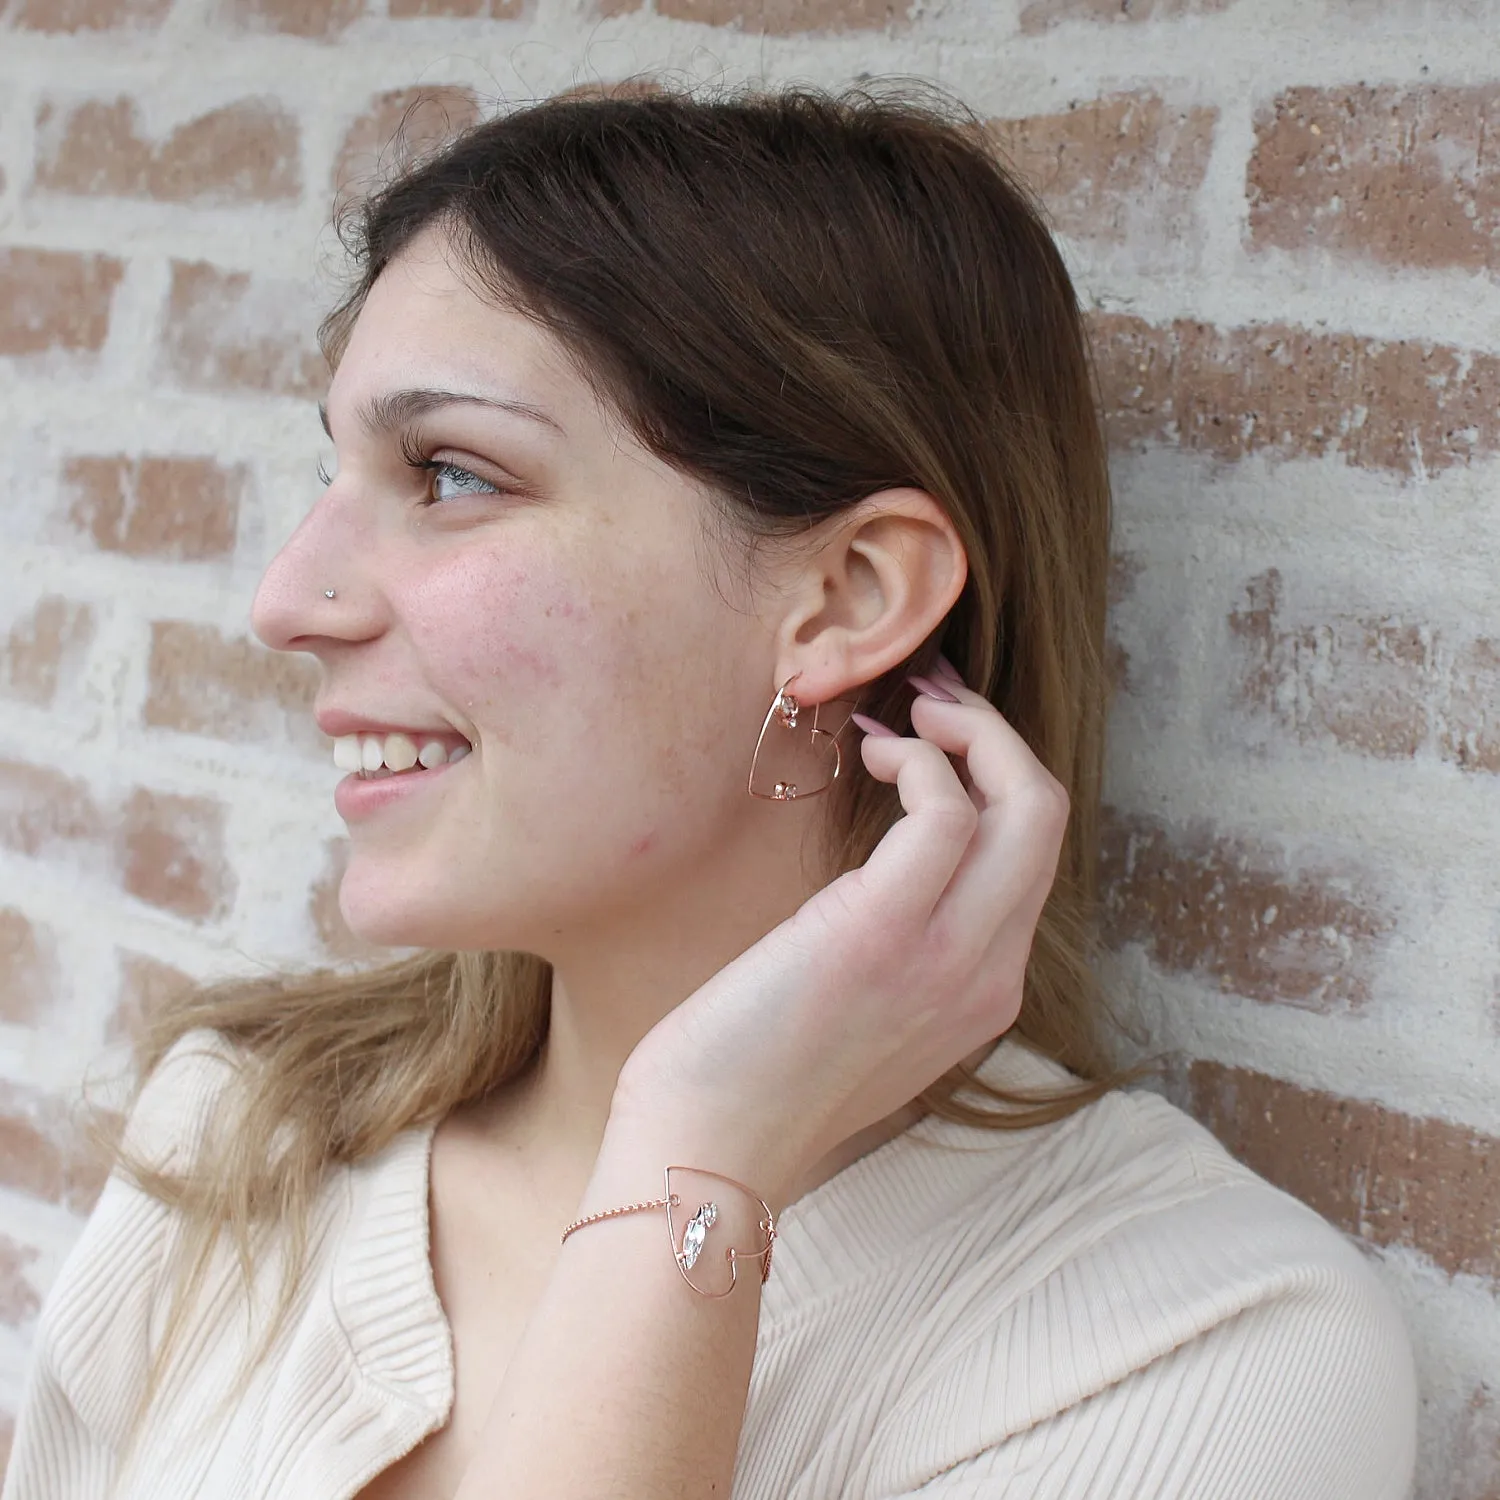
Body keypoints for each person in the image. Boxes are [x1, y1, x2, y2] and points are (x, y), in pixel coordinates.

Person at [3, 77, 1417, 1500]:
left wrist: (700, 1152)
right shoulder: (250, 1133)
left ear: (848, 595)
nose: (286, 601)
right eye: (339, 473)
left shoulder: (1199, 1351)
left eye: (450, 475)